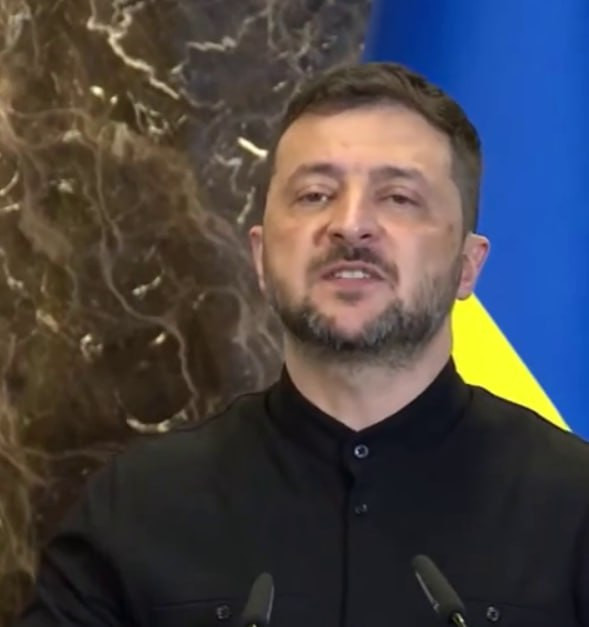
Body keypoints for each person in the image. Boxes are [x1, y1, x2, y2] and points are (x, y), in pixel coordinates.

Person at [17, 63, 589, 627]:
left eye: (398, 197)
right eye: (315, 194)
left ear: (468, 265)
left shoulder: (572, 509)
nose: (351, 224)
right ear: (261, 257)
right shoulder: (137, 509)